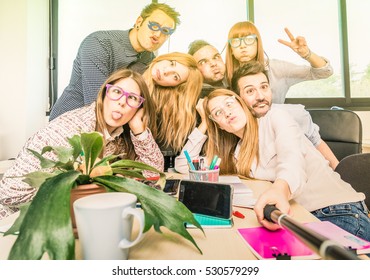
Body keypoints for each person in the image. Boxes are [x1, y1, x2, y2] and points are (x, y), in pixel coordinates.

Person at [199, 88, 370, 241]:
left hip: (338, 211)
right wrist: (203, 123)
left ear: (241, 103)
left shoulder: (274, 117)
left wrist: (280, 189)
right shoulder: (238, 151)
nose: (227, 113)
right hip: (298, 216)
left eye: (229, 104)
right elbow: (187, 166)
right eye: (218, 113)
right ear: (218, 125)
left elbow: (291, 158)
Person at [0, 69, 164, 220]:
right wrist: (83, 190)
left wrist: (139, 131)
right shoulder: (70, 128)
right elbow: (9, 191)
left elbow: (153, 175)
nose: (122, 102)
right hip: (15, 220)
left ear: (139, 108)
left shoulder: (120, 137)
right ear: (104, 95)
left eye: (132, 98)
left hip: (69, 218)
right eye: (116, 92)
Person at [49, 2, 180, 120]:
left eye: (165, 31)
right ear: (139, 22)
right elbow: (97, 101)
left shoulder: (149, 60)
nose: (158, 35)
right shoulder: (99, 43)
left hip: (109, 129)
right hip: (67, 120)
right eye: (154, 26)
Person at [231, 62, 339, 169]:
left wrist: (342, 175)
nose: (260, 96)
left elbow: (318, 144)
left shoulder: (295, 114)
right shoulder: (236, 125)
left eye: (264, 87)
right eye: (250, 91)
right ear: (238, 98)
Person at [225, 21, 333, 103]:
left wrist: (307, 54)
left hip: (275, 128)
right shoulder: (224, 74)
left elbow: (324, 72)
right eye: (235, 41)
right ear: (231, 50)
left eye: (249, 39)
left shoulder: (277, 68)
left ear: (258, 44)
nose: (242, 45)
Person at [142, 52, 203, 156]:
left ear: (176, 86)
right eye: (171, 63)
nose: (166, 71)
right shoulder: (131, 73)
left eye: (175, 77)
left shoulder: (162, 105)